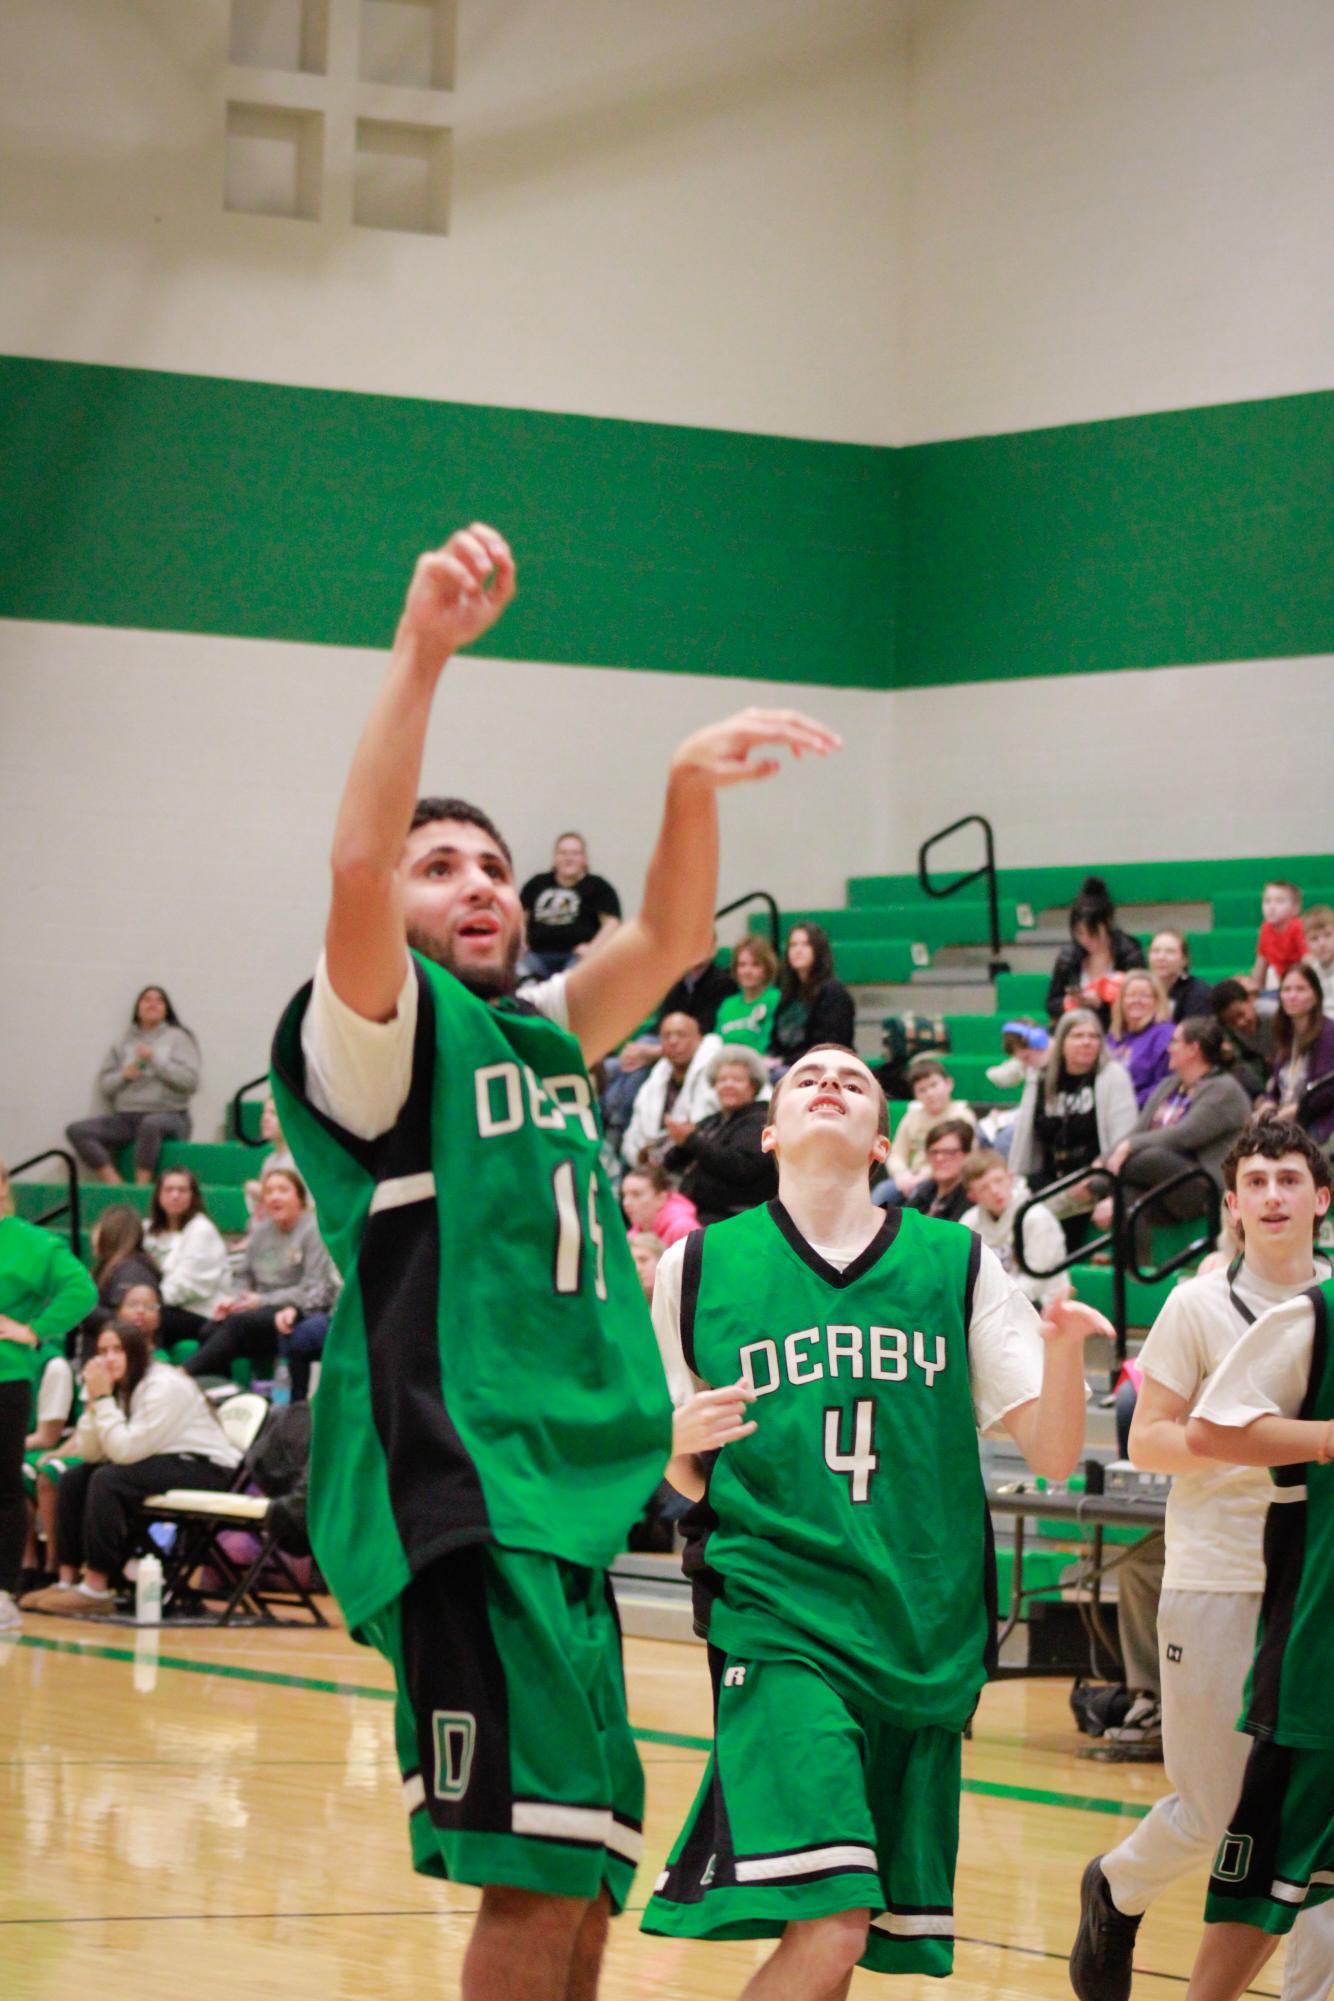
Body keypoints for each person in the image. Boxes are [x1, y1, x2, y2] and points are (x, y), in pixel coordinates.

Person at [264, 520, 840, 2001]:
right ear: (383, 907)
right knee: (530, 1897)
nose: (476, 885)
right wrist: (425, 648)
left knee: (578, 1889)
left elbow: (665, 933)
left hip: (565, 1508)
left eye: (495, 868)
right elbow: (349, 854)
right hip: (466, 1495)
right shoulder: (378, 1039)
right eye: (437, 864)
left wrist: (682, 784)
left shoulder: (538, 1032)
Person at [640, 1044, 1106, 1989]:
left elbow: (1054, 1455)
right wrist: (673, 1434)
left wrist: (1064, 1358)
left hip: (920, 1632)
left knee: (839, 1925)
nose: (830, 1086)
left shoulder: (956, 1260)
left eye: (855, 1082)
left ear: (882, 1138)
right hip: (777, 1621)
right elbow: (686, 1479)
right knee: (834, 1919)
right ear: (770, 1130)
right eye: (808, 1077)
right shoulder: (695, 1265)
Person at [1069, 1119, 1334, 2001]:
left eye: (1289, 1179)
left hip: (1316, 1589)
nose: (1272, 1195)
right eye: (1254, 1181)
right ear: (1229, 1206)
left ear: (1320, 1198)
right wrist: (1270, 1443)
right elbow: (1150, 1439)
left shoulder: (1332, 1305)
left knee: (1314, 1829)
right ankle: (1118, 1884)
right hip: (1219, 1573)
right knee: (1226, 1815)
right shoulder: (1195, 1303)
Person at [1180, 1265, 1334, 2001]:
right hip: (1319, 1659)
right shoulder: (1316, 1317)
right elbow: (1212, 1426)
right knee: (1259, 1890)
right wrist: (1328, 1436)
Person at [21, 1320, 240, 1618]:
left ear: (136, 1353)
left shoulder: (164, 1385)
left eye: (118, 1350)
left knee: (109, 1480)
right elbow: (90, 1452)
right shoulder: (121, 1385)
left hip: (206, 1468)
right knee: (75, 1477)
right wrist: (92, 1406)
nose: (109, 1358)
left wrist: (102, 1399)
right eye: (102, 1351)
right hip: (161, 1460)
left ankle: (97, 1588)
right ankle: (66, 1580)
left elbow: (124, 1452)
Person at [0, 1164, 98, 1630]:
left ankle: (2, 1593)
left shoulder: (31, 1243)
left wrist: (33, 1330)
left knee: (1, 1490)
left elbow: (82, 1289)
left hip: (5, 1380)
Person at [181, 1167, 339, 1395]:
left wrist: (261, 1300)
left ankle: (183, 1374)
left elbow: (312, 1288)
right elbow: (243, 1275)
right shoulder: (261, 1231)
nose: (275, 1197)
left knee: (237, 1324)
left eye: (283, 1190)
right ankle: (223, 1395)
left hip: (295, 1309)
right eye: (269, 1192)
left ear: (300, 1198)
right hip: (257, 1309)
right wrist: (234, 1300)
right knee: (209, 1329)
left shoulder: (312, 1230)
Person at [1098, 1019, 1253, 1239]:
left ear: (1193, 1049)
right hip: (1164, 1185)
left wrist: (1127, 1148)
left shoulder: (1224, 1090)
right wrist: (1102, 1159)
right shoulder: (1168, 1085)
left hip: (1208, 1187)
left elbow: (1184, 1135)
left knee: (1150, 1156)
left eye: (1174, 1042)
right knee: (1127, 1196)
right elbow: (1138, 1129)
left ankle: (1096, 1183)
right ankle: (1136, 1270)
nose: (1168, 1048)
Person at [1007, 1011, 1137, 1231]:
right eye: (1077, 1036)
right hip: (1047, 1177)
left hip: (1090, 1180)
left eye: (1094, 1036)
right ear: (1061, 1042)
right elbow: (1026, 1138)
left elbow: (1123, 1137)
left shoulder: (1112, 1076)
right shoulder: (1043, 1076)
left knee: (1028, 1222)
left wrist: (1097, 1178)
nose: (1086, 1042)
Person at [66, 985, 200, 1184]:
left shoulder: (179, 1038)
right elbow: (105, 1085)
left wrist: (154, 1059)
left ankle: (140, 1187)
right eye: (146, 999)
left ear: (166, 1009)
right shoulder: (122, 1043)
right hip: (127, 1117)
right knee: (77, 1130)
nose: (152, 1004)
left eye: (159, 1000)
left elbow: (190, 1082)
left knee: (150, 1124)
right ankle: (115, 1183)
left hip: (171, 1115)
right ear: (137, 1008)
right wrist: (125, 1075)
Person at [664, 1046, 777, 1225]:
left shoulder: (760, 1121)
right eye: (722, 1080)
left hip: (734, 1218)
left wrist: (691, 1140)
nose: (728, 1085)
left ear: (753, 1086)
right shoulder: (712, 1121)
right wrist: (681, 1142)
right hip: (695, 1211)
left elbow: (741, 1167)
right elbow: (671, 1162)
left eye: (737, 1080)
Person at [960, 1150, 1070, 1311]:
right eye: (984, 1188)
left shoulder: (1035, 1218)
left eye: (999, 1181)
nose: (995, 1191)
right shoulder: (970, 1222)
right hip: (992, 1308)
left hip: (1042, 1309)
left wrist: (986, 1299)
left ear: (1010, 1178)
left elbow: (1035, 1285)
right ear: (972, 1196)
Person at [621, 1011, 721, 1167]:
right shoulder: (654, 1080)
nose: (673, 1041)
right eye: (666, 1036)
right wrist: (640, 1156)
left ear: (699, 1039)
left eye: (681, 1035)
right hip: (652, 1170)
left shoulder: (716, 1073)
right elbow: (632, 1136)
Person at [142, 1167, 231, 1344]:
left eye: (182, 1190)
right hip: (160, 1306)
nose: (175, 1195)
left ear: (193, 1196)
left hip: (198, 1311)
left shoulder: (202, 1231)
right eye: (168, 1189)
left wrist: (147, 1305)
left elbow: (186, 1287)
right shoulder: (147, 1229)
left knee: (141, 1318)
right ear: (158, 1195)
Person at [521, 833, 622, 976]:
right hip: (536, 956)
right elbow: (519, 917)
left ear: (584, 859)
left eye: (575, 853)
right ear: (555, 858)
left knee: (577, 978)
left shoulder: (599, 886)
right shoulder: (537, 883)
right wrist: (520, 944)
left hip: (577, 958)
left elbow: (612, 922)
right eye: (563, 853)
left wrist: (592, 949)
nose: (569, 858)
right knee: (518, 972)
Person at [1045, 878, 1145, 1024]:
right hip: (1077, 1029)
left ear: (1107, 924)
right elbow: (1051, 1004)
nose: (1086, 940)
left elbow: (1140, 1005)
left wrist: (1101, 1006)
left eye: (1093, 933)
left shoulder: (1130, 955)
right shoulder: (1068, 957)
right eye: (1079, 934)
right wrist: (1069, 1002)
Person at [882, 1057, 977, 1202]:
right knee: (882, 1193)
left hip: (944, 1178)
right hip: (910, 1176)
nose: (930, 1094)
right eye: (922, 1090)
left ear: (948, 1084)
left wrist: (921, 1178)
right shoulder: (912, 1116)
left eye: (934, 1085)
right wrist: (901, 1173)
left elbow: (966, 1157)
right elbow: (897, 1152)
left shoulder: (961, 1115)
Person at [1260, 963, 1334, 1144]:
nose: (1292, 996)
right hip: (1287, 1122)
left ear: (1315, 996)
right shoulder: (1286, 1034)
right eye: (1286, 989)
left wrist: (1293, 1111)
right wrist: (1269, 1103)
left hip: (1319, 1124)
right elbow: (1277, 1086)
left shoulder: (1329, 1033)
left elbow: (1325, 1090)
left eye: (1300, 989)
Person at [768, 923, 856, 1070]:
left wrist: (782, 1061)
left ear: (819, 950)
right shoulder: (788, 993)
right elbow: (775, 1042)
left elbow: (829, 1047)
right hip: (786, 1065)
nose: (798, 950)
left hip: (823, 1068)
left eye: (805, 944)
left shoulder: (833, 992)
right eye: (793, 945)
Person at [83, 1205, 160, 1337]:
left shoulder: (132, 1271)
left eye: (99, 1228)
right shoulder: (111, 1267)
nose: (94, 1235)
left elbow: (128, 1322)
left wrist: (82, 1305)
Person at [1107, 970, 1176, 1109]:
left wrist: (1128, 1105)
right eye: (1130, 995)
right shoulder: (1112, 1036)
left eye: (1144, 996)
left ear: (1156, 1001)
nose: (1136, 1001)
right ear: (1121, 1001)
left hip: (1144, 1111)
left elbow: (1165, 1084)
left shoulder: (1165, 1035)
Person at [1211, 980, 1277, 1102]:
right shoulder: (1228, 1031)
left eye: (1241, 1014)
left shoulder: (1273, 1014)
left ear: (1250, 1000)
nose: (1240, 1023)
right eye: (1232, 1022)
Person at [714, 934, 781, 1053]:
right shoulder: (728, 1004)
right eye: (742, 965)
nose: (747, 971)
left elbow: (770, 1044)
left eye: (755, 965)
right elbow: (718, 1042)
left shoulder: (775, 999)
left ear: (766, 968)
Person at [906, 1117, 977, 1222]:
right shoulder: (925, 1190)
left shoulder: (970, 1198)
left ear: (967, 1155)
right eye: (934, 1152)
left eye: (949, 1152)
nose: (939, 1158)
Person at [1247, 879, 1306, 996]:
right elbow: (1260, 964)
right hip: (1282, 984)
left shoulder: (1298, 926)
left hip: (1301, 983)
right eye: (1267, 901)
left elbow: (1309, 961)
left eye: (1280, 901)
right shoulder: (1265, 929)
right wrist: (1253, 994)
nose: (1272, 907)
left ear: (1295, 908)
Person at [620, 1163, 699, 1250]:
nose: (626, 1203)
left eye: (636, 1195)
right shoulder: (633, 1234)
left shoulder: (683, 1228)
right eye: (624, 1195)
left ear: (661, 1198)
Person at [243, 1095, 298, 1216]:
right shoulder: (269, 1160)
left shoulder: (299, 1161)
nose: (265, 1118)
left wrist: (261, 1191)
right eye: (264, 1113)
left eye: (273, 1113)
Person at [1148, 931, 1214, 1024]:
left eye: (1170, 952)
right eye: (1155, 951)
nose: (1161, 957)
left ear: (1184, 959)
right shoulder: (1143, 989)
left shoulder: (1198, 991)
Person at [1302, 902, 1334, 1013]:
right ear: (1305, 943)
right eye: (1314, 939)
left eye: (1328, 935)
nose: (1322, 943)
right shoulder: (1310, 970)